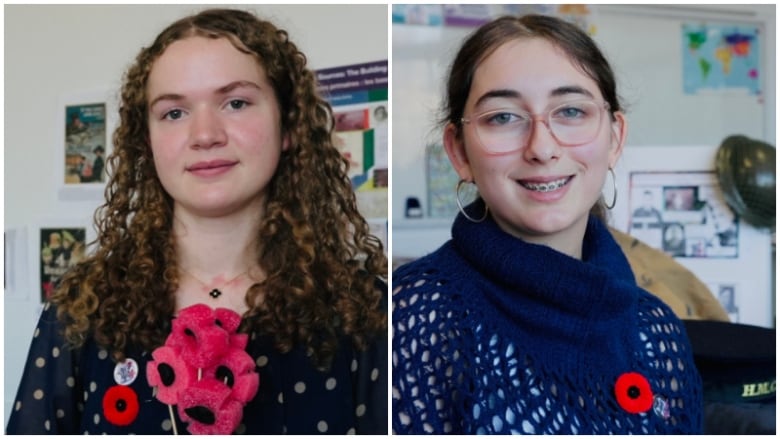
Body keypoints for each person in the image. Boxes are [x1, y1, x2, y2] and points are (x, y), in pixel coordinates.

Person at [8, 8, 387, 435]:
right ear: (147, 141)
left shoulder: (366, 310)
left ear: (288, 128)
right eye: (174, 113)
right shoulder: (81, 309)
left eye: (236, 102)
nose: (205, 134)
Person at [392, 14, 702, 434]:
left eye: (571, 111)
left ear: (615, 138)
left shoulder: (657, 330)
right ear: (459, 152)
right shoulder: (409, 319)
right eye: (502, 117)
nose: (541, 147)